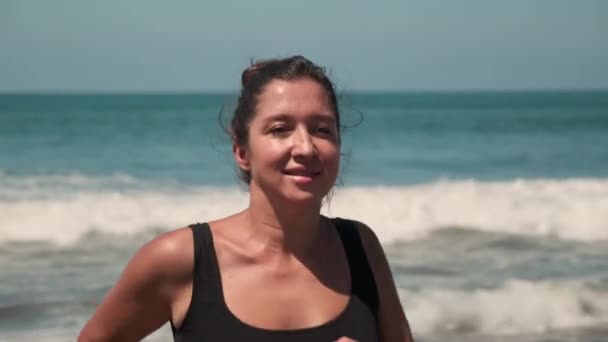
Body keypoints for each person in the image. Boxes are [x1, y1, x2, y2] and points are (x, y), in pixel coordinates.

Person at [78, 56, 414, 342]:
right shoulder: (182, 260)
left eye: (322, 129)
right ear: (242, 152)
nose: (306, 147)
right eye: (280, 129)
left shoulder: (360, 248)